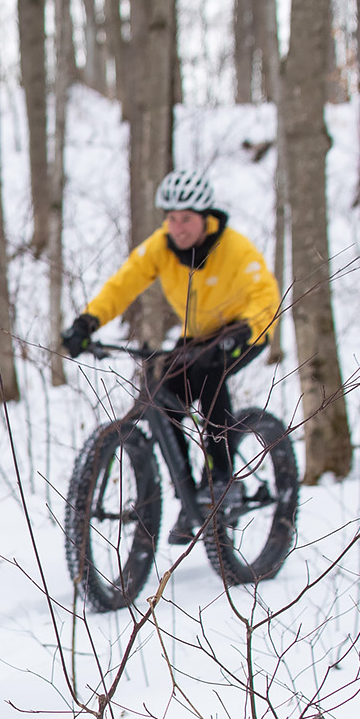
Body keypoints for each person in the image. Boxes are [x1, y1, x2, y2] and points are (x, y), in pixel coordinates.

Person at [63, 169, 281, 545]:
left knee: (212, 372)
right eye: (171, 218)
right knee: (163, 395)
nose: (177, 227)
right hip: (198, 335)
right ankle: (189, 493)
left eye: (186, 219)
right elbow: (122, 285)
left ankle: (220, 478)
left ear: (205, 217)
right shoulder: (160, 247)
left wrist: (248, 329)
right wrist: (87, 322)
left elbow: (265, 295)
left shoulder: (235, 248)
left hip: (246, 330)